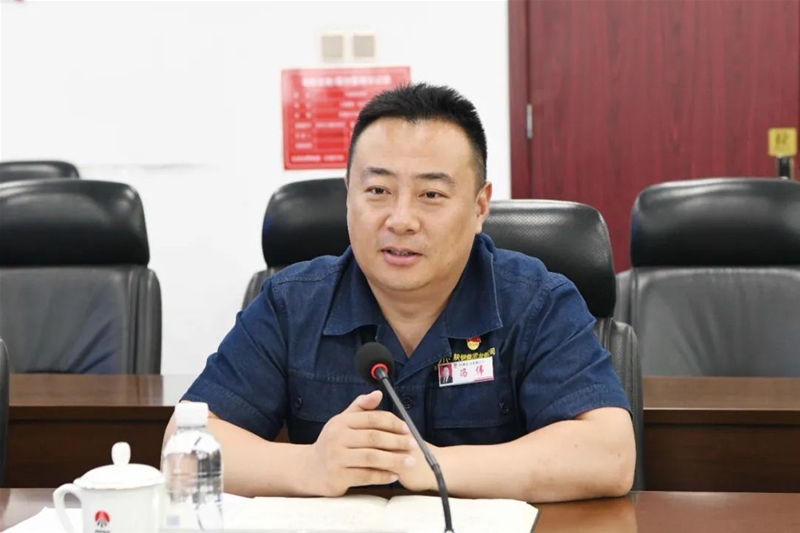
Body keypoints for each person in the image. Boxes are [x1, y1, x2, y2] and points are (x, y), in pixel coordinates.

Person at [165, 82, 635, 502]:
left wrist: (431, 464)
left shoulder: (536, 301)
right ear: (348, 195)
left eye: (431, 195)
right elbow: (183, 450)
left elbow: (610, 455)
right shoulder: (292, 303)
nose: (401, 219)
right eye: (378, 191)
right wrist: (309, 466)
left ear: (479, 207)